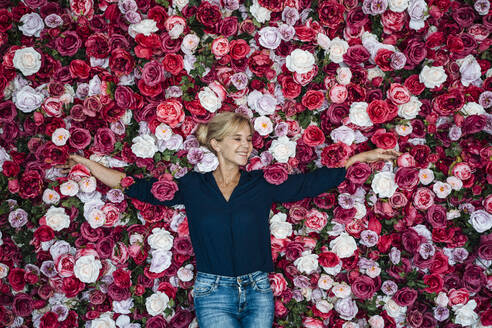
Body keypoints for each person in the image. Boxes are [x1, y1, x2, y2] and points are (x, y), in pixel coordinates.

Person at [58, 112, 400, 328]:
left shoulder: (262, 183)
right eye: (238, 138)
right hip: (212, 291)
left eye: (249, 139)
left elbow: (313, 182)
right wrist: (88, 165)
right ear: (217, 144)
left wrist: (362, 157)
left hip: (258, 289)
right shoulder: (192, 186)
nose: (246, 145)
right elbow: (134, 186)